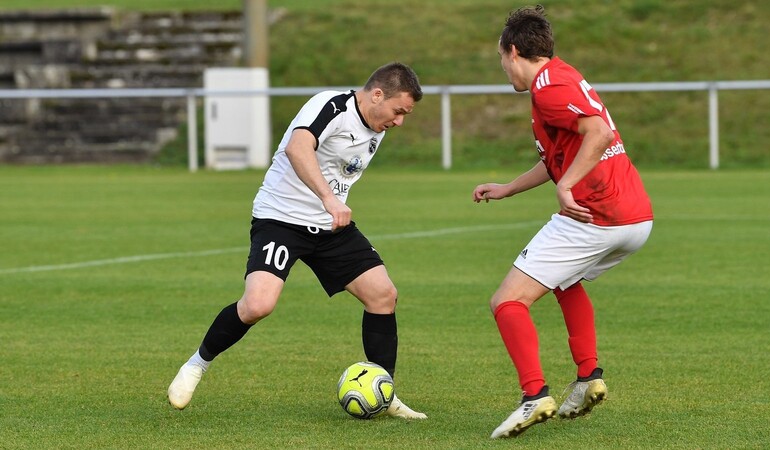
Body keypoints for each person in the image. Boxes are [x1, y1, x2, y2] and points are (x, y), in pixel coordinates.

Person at [168, 62, 427, 419]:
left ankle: (383, 388)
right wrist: (329, 199)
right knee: (257, 305)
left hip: (329, 227)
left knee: (383, 294)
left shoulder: (377, 128)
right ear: (377, 94)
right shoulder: (331, 106)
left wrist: (330, 205)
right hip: (281, 220)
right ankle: (196, 365)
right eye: (399, 111)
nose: (399, 122)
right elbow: (297, 148)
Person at [472, 6, 654, 439]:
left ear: (512, 51)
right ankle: (589, 375)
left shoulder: (548, 88)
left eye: (501, 59)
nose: (503, 70)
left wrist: (566, 186)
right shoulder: (564, 77)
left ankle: (533, 395)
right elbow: (561, 155)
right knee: (564, 280)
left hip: (596, 214)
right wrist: (508, 188)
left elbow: (600, 135)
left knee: (507, 302)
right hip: (634, 217)